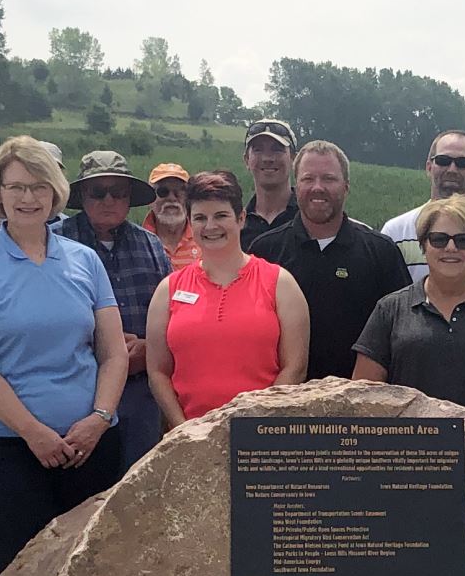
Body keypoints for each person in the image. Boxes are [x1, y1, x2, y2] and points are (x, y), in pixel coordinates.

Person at [0, 136, 129, 568]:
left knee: (86, 571)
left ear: (55, 193)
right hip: (6, 449)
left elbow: (114, 352)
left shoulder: (85, 260)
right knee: (24, 573)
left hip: (88, 446)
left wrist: (99, 419)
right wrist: (33, 432)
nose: (28, 198)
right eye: (16, 187)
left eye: (39, 186)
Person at [353, 192, 465, 449]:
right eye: (439, 239)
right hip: (409, 467)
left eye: (463, 240)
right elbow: (364, 394)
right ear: (423, 245)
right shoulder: (390, 309)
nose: (450, 248)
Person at [149, 169, 309, 425]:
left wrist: (260, 422)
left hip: (260, 439)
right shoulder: (168, 290)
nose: (210, 226)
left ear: (241, 218)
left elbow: (295, 367)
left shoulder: (280, 283)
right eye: (200, 218)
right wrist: (183, 429)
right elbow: (157, 371)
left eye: (221, 215)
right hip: (188, 438)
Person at [251, 141, 410, 381]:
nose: (318, 188)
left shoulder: (381, 252)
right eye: (308, 179)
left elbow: (401, 332)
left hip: (361, 403)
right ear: (296, 186)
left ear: (346, 187)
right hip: (281, 400)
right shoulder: (265, 251)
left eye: (328, 179)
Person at [54, 150, 170, 467]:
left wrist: (149, 348)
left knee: (137, 488)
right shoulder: (54, 244)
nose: (108, 200)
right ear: (82, 196)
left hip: (141, 395)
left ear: (129, 197)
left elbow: (175, 316)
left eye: (117, 192)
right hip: (77, 391)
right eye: (98, 192)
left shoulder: (152, 245)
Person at [383, 130, 465, 282]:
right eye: (443, 160)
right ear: (429, 167)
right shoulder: (396, 232)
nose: (452, 169)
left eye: (463, 163)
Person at [239, 118, 299, 249]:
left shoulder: (309, 219)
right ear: (246, 160)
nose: (267, 158)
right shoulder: (236, 225)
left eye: (277, 149)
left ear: (293, 158)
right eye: (258, 150)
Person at [143, 162, 196, 270]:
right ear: (150, 198)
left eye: (179, 192)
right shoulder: (138, 241)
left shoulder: (204, 236)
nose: (171, 198)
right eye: (163, 192)